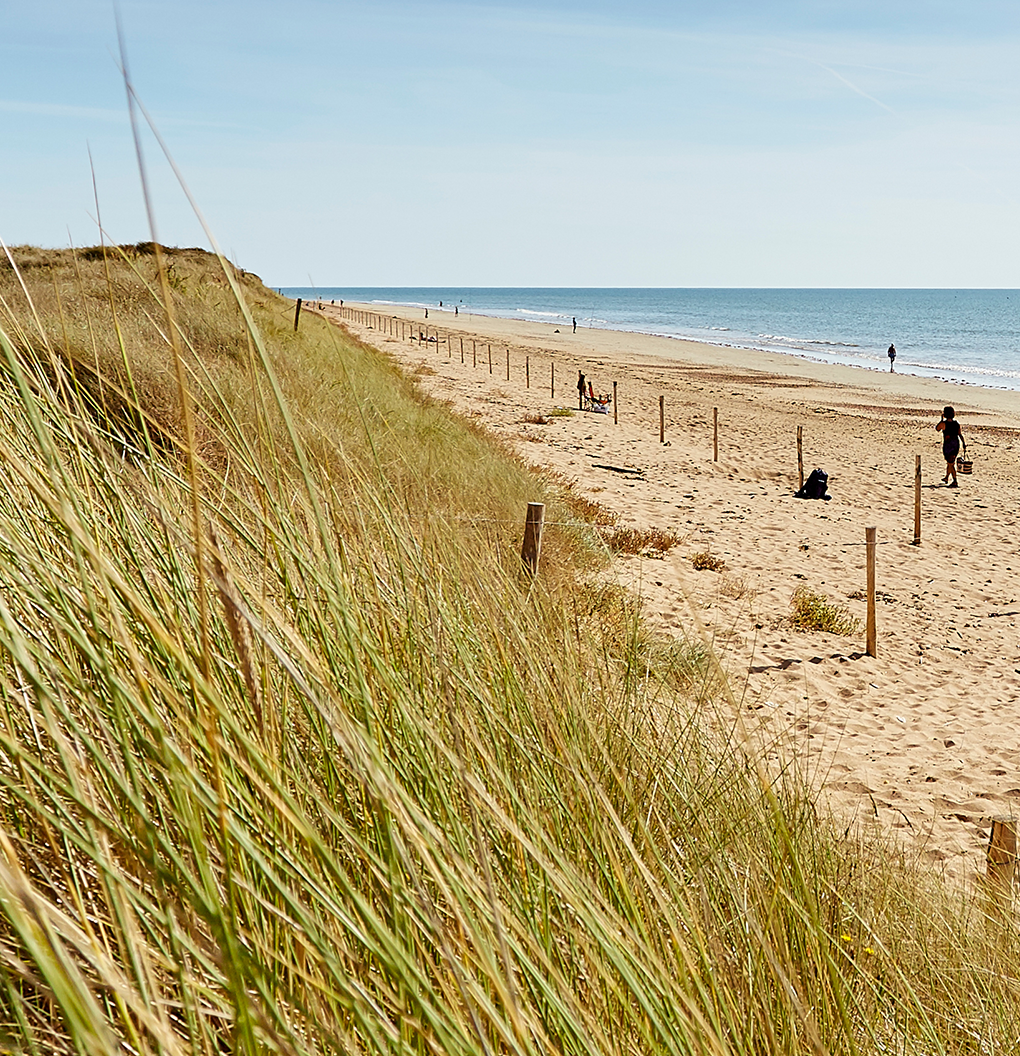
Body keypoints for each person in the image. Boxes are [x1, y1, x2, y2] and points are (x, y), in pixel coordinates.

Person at [936, 406, 964, 488]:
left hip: (948, 445)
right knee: (950, 462)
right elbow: (960, 434)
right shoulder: (956, 424)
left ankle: (955, 480)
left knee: (951, 464)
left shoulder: (944, 424)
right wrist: (964, 443)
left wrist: (941, 419)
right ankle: (946, 477)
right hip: (956, 444)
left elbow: (937, 428)